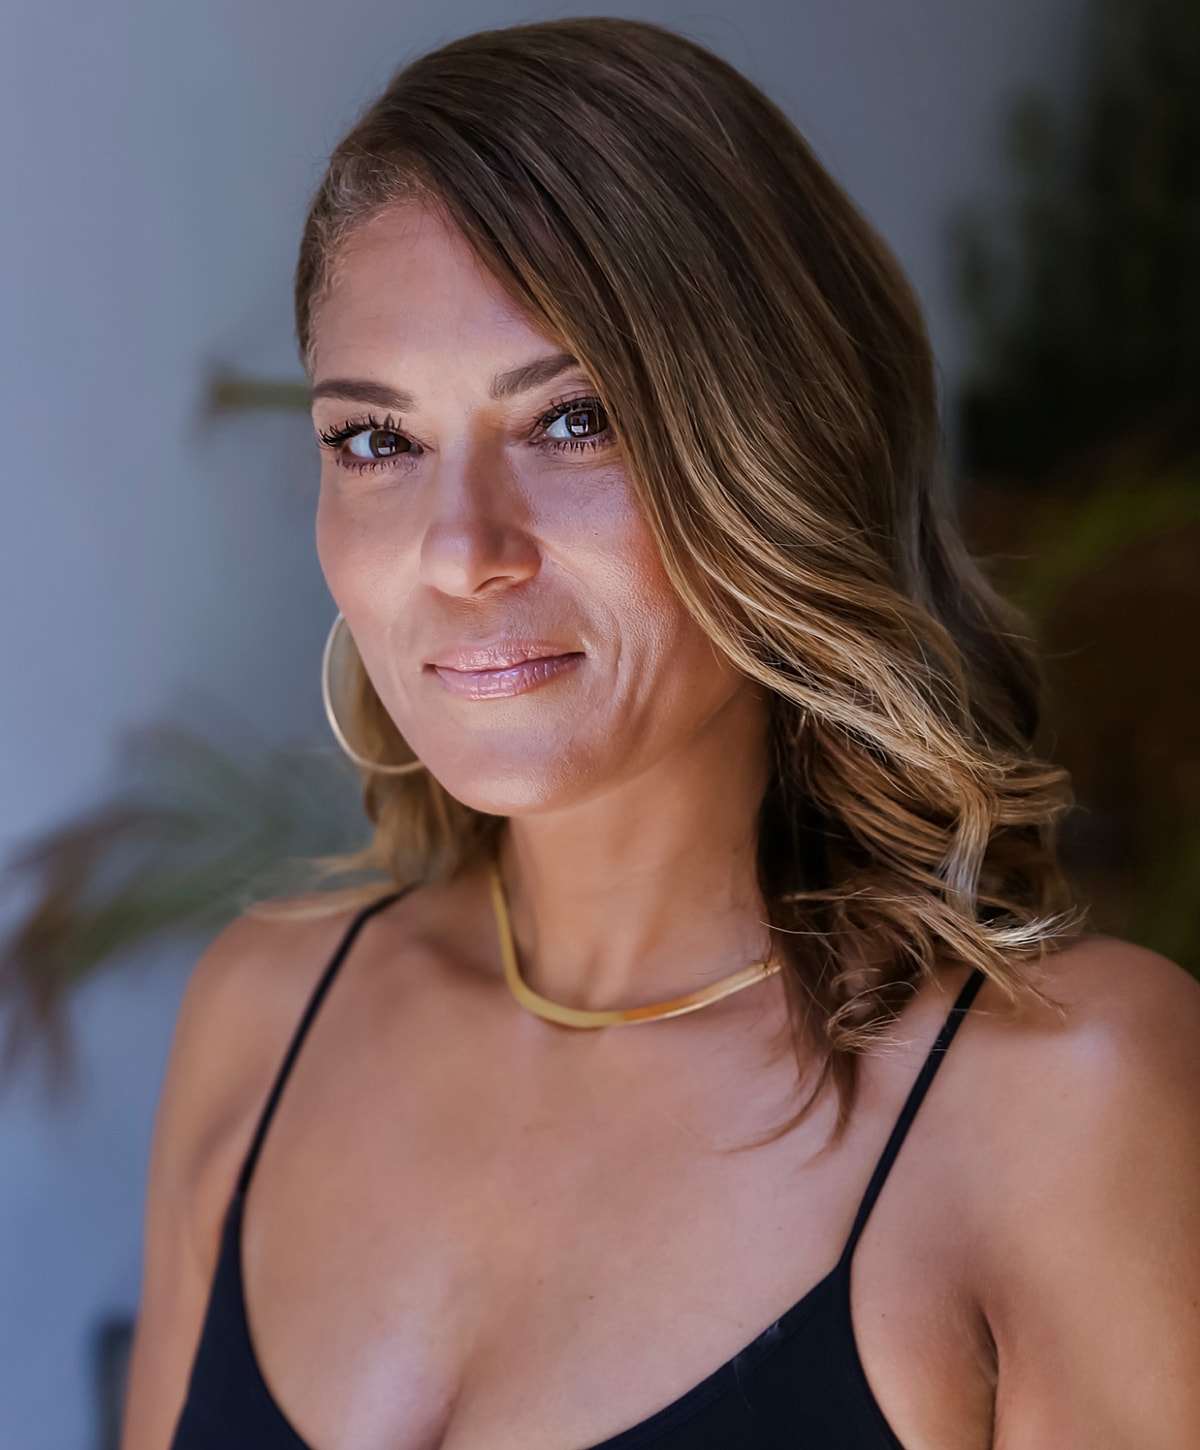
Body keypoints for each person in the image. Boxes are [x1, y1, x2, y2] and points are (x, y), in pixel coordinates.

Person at [120, 16, 1200, 1449]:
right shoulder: (261, 1017)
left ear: (782, 452)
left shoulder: (1061, 1098)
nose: (462, 551)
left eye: (576, 420)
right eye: (377, 440)